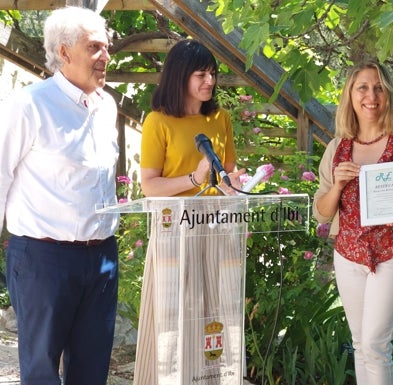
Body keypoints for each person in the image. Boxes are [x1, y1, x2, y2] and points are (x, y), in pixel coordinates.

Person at [0, 6, 120, 385]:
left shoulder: (107, 107)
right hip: (43, 258)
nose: (106, 57)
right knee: (41, 371)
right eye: (95, 47)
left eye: (107, 47)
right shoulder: (30, 104)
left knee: (91, 371)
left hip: (102, 258)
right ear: (64, 51)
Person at [313, 59, 393, 384]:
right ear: (350, 95)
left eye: (379, 87)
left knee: (375, 343)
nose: (371, 95)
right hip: (349, 254)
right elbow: (322, 213)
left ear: (389, 94)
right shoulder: (338, 148)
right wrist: (337, 184)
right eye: (362, 87)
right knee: (359, 343)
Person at [134, 39, 244, 384]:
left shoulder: (220, 119)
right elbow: (149, 186)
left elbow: (227, 175)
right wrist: (193, 178)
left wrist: (235, 184)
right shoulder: (157, 121)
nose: (209, 81)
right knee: (173, 314)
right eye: (201, 74)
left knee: (214, 311)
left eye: (212, 73)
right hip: (173, 231)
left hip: (215, 229)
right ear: (179, 76)